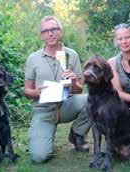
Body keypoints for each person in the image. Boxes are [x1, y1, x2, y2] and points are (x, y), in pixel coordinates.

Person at [24, 16, 91, 163]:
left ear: (60, 31)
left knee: (92, 100)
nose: (50, 34)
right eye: (46, 31)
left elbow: (79, 90)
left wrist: (73, 81)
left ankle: (77, 134)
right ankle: (42, 135)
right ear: (41, 35)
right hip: (43, 110)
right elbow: (26, 91)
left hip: (66, 105)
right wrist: (36, 92)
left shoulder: (71, 55)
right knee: (39, 157)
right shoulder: (33, 58)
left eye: (54, 29)